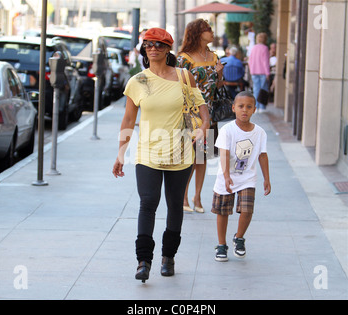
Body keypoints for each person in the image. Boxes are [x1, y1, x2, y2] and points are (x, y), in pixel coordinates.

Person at [112, 28, 209, 282]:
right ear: (144, 49)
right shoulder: (138, 81)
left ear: (168, 49)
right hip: (147, 152)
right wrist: (121, 153)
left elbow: (200, 110)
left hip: (180, 150)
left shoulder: (184, 77)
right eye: (148, 44)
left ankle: (168, 257)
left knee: (175, 205)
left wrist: (203, 129)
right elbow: (129, 118)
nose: (153, 48)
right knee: (148, 203)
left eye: (159, 44)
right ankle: (143, 261)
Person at [211, 91, 271, 261]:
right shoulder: (227, 130)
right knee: (222, 212)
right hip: (226, 178)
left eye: (249, 107)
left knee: (247, 209)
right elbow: (224, 153)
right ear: (233, 108)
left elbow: (262, 155)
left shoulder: (259, 133)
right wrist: (226, 175)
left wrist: (267, 178)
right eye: (241, 106)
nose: (244, 110)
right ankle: (221, 245)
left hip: (247, 178)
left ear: (254, 110)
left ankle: (239, 237)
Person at [176, 18, 224, 214]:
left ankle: (198, 196)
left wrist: (219, 74)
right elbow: (177, 86)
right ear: (197, 32)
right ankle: (184, 195)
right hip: (189, 114)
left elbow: (218, 86)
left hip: (209, 113)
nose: (211, 33)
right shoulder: (184, 58)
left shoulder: (214, 56)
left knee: (202, 158)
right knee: (190, 157)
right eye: (207, 29)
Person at [248, 32, 270, 113]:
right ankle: (262, 107)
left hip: (254, 71)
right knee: (263, 89)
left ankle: (256, 107)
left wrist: (251, 70)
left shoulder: (253, 48)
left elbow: (250, 60)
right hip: (263, 72)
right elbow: (265, 62)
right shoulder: (265, 48)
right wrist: (268, 73)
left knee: (256, 89)